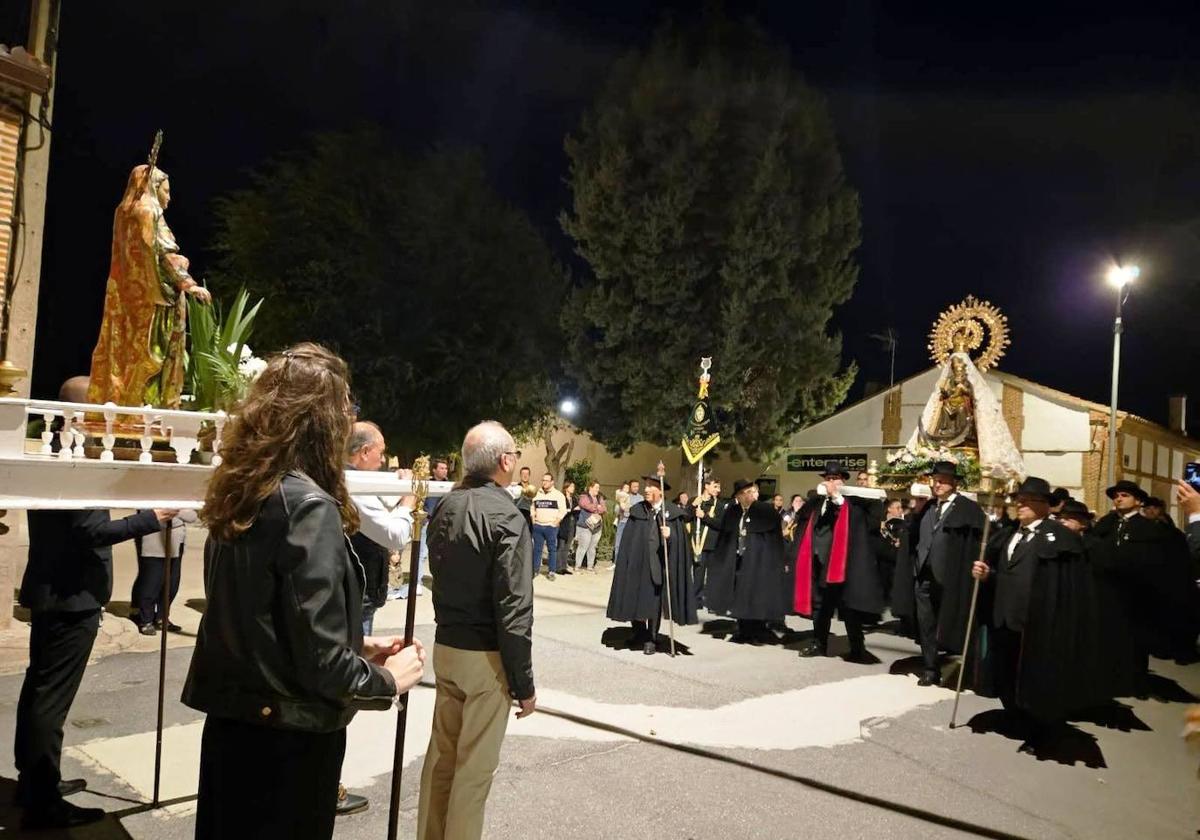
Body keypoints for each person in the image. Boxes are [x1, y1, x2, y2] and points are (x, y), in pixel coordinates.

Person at [182, 343, 425, 840]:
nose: (348, 418)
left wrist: (356, 645)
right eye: (344, 407)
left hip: (233, 731)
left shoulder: (243, 490)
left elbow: (264, 621)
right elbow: (320, 665)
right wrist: (388, 680)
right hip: (288, 745)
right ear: (322, 421)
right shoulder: (307, 505)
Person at [418, 421, 536, 840]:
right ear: (505, 461)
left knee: (441, 762)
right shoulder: (506, 515)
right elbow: (514, 607)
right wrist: (523, 682)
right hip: (485, 657)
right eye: (516, 455)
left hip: (447, 645)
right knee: (473, 773)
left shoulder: (445, 506)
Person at [970, 477, 1110, 742]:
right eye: (1018, 500)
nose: (1019, 505)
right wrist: (988, 574)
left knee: (1033, 673)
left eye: (1027, 501)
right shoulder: (1009, 534)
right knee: (1005, 669)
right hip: (1004, 615)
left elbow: (1065, 585)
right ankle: (1013, 712)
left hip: (1036, 620)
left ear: (1045, 506)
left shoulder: (1060, 539)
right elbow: (1006, 573)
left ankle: (1035, 720)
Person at [86, 158, 212, 409]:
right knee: (154, 355)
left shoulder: (123, 212)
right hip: (157, 299)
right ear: (153, 188)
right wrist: (189, 284)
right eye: (166, 190)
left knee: (124, 354)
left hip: (126, 297)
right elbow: (162, 255)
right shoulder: (149, 212)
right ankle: (146, 413)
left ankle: (121, 411)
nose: (169, 197)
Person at [1092, 479, 1199, 671]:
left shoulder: (1150, 528)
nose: (1119, 499)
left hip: (1137, 593)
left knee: (1136, 639)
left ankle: (1137, 677)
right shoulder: (1106, 523)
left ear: (1139, 501)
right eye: (1116, 496)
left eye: (1125, 495)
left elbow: (1159, 561)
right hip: (1107, 590)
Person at [792, 462, 884, 662]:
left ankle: (857, 647)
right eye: (828, 479)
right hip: (816, 559)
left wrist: (837, 498)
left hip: (840, 564)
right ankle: (819, 643)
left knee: (847, 606)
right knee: (819, 606)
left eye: (835, 479)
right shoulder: (817, 501)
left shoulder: (852, 502)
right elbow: (802, 521)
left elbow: (863, 521)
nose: (830, 482)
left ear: (842, 481)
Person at [911, 461, 985, 686]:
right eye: (935, 479)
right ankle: (931, 668)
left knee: (957, 621)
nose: (938, 484)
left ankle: (969, 670)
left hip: (951, 576)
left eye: (943, 480)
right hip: (924, 574)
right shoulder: (929, 507)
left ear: (954, 483)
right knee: (926, 623)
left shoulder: (967, 509)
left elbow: (978, 542)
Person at [607, 473, 698, 654]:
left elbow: (681, 543)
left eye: (650, 487)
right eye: (645, 486)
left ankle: (651, 637)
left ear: (660, 491)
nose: (646, 490)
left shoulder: (672, 513)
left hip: (658, 565)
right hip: (637, 563)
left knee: (653, 602)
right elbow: (629, 539)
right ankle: (639, 632)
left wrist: (670, 536)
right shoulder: (638, 510)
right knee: (636, 597)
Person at [702, 478, 789, 644]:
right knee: (739, 595)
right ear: (738, 496)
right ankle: (743, 629)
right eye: (745, 493)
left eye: (751, 492)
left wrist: (780, 560)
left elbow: (775, 538)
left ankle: (757, 630)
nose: (749, 495)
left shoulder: (765, 510)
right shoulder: (733, 511)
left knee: (755, 594)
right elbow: (725, 535)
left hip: (758, 561)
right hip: (737, 560)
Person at [130, 509, 198, 635]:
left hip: (175, 541)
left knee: (171, 583)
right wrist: (176, 511)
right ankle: (146, 619)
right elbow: (150, 515)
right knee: (151, 581)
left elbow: (192, 516)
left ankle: (162, 617)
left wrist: (174, 510)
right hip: (152, 539)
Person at [404, 456, 451, 598]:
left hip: (443, 523)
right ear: (434, 470)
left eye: (446, 468)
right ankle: (416, 582)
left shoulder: (450, 486)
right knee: (421, 553)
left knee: (443, 553)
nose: (444, 471)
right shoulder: (426, 484)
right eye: (441, 468)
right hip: (426, 521)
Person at [890, 484, 932, 638]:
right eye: (915, 499)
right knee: (906, 592)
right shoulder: (909, 519)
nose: (916, 503)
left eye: (921, 499)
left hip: (918, 561)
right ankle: (907, 623)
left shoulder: (928, 517)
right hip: (907, 561)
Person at [691, 476, 726, 608]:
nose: (718, 489)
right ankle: (696, 600)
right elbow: (686, 517)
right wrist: (693, 506)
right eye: (715, 486)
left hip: (713, 544)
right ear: (706, 486)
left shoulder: (719, 505)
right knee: (698, 575)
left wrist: (704, 516)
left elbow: (720, 524)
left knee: (713, 575)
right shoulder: (696, 501)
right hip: (697, 545)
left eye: (719, 487)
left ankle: (712, 602)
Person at [531, 472, 569, 579]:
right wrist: (533, 519)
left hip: (551, 527)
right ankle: (535, 570)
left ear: (552, 482)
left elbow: (563, 510)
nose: (544, 482)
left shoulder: (558, 495)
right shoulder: (537, 493)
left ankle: (551, 571)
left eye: (547, 480)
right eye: (543, 480)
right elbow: (532, 507)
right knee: (537, 549)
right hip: (538, 525)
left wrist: (556, 522)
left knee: (552, 549)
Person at [574, 481, 606, 571]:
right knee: (583, 546)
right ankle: (577, 565)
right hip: (585, 526)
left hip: (597, 526)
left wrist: (598, 508)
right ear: (590, 488)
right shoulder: (584, 497)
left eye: (598, 488)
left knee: (592, 547)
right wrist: (597, 507)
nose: (598, 490)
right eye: (596, 487)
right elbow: (586, 506)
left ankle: (590, 566)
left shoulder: (600, 498)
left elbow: (604, 509)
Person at [558, 480, 578, 571]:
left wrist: (573, 510)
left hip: (572, 523)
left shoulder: (574, 499)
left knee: (567, 546)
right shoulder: (562, 498)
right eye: (571, 487)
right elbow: (563, 511)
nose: (573, 489)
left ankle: (564, 566)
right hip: (563, 524)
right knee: (561, 546)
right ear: (566, 487)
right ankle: (558, 567)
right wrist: (572, 510)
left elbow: (575, 510)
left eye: (573, 487)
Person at [613, 481, 632, 558]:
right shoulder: (623, 495)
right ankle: (617, 562)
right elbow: (623, 508)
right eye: (625, 487)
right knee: (619, 542)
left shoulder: (624, 495)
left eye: (628, 488)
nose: (627, 489)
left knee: (621, 542)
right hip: (623, 520)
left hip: (624, 520)